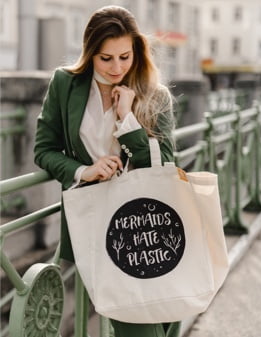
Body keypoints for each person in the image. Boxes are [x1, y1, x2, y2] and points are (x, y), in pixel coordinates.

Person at [34, 5, 180, 337]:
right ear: (90, 53)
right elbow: (43, 150)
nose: (117, 67)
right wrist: (84, 170)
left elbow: (165, 165)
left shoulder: (154, 96)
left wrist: (128, 120)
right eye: (106, 58)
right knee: (139, 327)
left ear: (137, 52)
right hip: (97, 227)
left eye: (125, 57)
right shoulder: (65, 84)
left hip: (150, 227)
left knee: (160, 322)